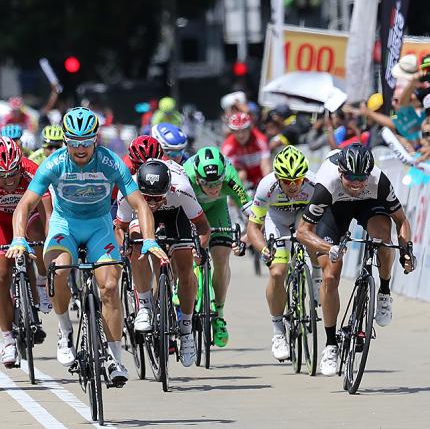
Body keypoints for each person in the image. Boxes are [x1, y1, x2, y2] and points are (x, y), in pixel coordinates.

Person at [6, 107, 169, 387]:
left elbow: (140, 204)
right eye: (74, 142)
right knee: (57, 270)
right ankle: (65, 330)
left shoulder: (110, 162)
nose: (80, 149)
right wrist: (19, 237)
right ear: (66, 141)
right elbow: (25, 204)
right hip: (64, 225)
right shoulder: (55, 163)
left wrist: (150, 239)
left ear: (96, 139)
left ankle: (116, 358)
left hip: (98, 226)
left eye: (86, 142)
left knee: (109, 285)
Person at [297, 143, 416, 376]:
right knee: (331, 276)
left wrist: (406, 250)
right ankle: (331, 344)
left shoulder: (378, 182)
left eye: (362, 178)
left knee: (382, 239)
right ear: (341, 172)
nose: (357, 183)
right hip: (335, 208)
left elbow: (401, 221)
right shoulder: (326, 184)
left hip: (368, 205)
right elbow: (303, 231)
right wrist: (328, 247)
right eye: (351, 177)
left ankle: (383, 291)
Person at [115, 159, 211, 367]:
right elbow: (120, 228)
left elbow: (203, 227)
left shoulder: (182, 189)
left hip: (175, 215)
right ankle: (145, 307)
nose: (152, 202)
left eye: (157, 197)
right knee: (137, 243)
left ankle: (185, 330)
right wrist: (125, 249)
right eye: (147, 197)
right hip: (138, 214)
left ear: (168, 188)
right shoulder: (128, 188)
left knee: (186, 272)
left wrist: (199, 249)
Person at [0, 137, 52, 367]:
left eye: (13, 174)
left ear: (20, 164)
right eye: (2, 175)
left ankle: (39, 280)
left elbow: (47, 212)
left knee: (38, 233)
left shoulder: (32, 171)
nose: (8, 180)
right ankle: (8, 339)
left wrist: (48, 245)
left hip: (30, 215)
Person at [246, 146, 321, 361]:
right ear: (278, 177)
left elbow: (324, 221)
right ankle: (278, 332)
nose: (292, 186)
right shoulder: (266, 187)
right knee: (278, 272)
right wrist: (264, 249)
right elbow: (253, 227)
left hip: (302, 215)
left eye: (297, 181)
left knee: (310, 237)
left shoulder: (314, 184)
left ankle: (316, 277)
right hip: (276, 219)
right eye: (287, 181)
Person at [183, 146, 251, 347]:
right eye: (206, 184)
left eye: (217, 184)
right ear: (197, 177)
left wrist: (246, 238)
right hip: (188, 211)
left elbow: (252, 213)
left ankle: (219, 314)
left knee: (221, 258)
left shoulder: (230, 176)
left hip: (216, 211)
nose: (213, 189)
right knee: (184, 252)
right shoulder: (185, 177)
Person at [221, 112, 272, 187]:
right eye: (236, 131)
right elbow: (228, 171)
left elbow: (265, 165)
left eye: (244, 130)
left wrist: (267, 184)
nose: (241, 135)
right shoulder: (228, 146)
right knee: (241, 174)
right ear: (232, 131)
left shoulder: (260, 140)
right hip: (242, 177)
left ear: (250, 129)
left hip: (259, 175)